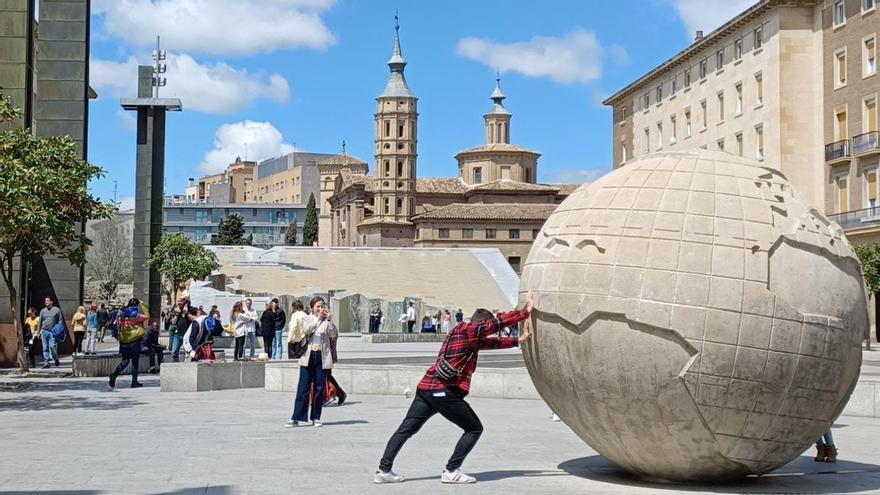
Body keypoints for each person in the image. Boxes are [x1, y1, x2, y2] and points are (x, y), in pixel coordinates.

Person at [374, 294, 534, 484]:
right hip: (443, 391)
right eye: (486, 327)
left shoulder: (463, 334)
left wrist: (518, 340)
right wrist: (524, 312)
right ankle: (451, 470)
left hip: (426, 388)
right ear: (481, 323)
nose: (487, 332)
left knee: (406, 429)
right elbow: (492, 326)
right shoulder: (469, 330)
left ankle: (384, 470)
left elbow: (492, 343)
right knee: (474, 428)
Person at [286, 296, 338, 428]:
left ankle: (316, 417)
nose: (320, 309)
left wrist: (330, 320)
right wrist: (318, 319)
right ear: (312, 308)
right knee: (303, 387)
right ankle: (296, 417)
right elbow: (307, 330)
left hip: (322, 355)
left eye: (322, 306)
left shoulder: (327, 320)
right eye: (318, 307)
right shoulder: (306, 318)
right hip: (308, 355)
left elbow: (333, 334)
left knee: (319, 388)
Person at [109, 298, 147, 389]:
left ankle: (114, 374)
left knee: (125, 361)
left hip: (124, 341)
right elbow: (146, 316)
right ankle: (134, 381)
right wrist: (143, 306)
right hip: (134, 340)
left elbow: (116, 324)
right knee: (135, 361)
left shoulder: (121, 313)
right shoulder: (135, 314)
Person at [38, 296, 63, 368]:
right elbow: (40, 322)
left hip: (53, 332)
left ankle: (56, 359)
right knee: (45, 348)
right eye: (45, 301)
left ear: (51, 302)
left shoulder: (57, 310)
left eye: (47, 300)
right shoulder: (43, 311)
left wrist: (59, 330)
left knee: (52, 347)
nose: (46, 302)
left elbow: (60, 321)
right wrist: (38, 332)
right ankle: (47, 363)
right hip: (44, 331)